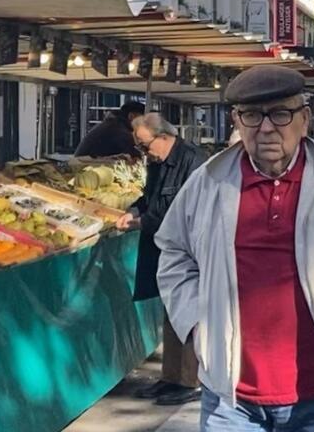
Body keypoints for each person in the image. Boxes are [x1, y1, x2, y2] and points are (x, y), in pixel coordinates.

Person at [155, 65, 314, 431]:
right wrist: (197, 323)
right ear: (237, 121)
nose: (267, 127)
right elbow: (172, 251)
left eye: (281, 113)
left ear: (304, 119)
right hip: (232, 400)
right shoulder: (209, 182)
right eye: (253, 115)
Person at [116, 112, 207, 406]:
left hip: (190, 250)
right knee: (170, 312)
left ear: (164, 137)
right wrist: (133, 210)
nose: (144, 152)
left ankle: (190, 380)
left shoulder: (193, 161)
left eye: (145, 145)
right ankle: (171, 377)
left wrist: (143, 222)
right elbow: (149, 198)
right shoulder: (156, 162)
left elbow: (186, 209)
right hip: (164, 248)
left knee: (189, 311)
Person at [75, 101, 146, 158]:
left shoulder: (114, 124)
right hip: (86, 170)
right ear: (131, 116)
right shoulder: (118, 130)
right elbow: (135, 154)